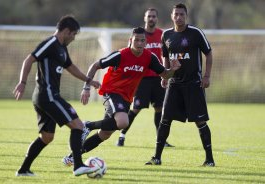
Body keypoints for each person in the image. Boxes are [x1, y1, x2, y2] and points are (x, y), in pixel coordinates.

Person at [61, 27, 181, 166]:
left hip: (126, 98)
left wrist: (173, 69)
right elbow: (95, 65)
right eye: (137, 40)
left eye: (143, 41)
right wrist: (86, 87)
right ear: (131, 40)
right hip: (112, 92)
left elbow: (165, 75)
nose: (140, 43)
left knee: (105, 134)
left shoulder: (149, 58)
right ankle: (88, 125)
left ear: (146, 42)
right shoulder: (120, 55)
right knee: (123, 122)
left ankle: (72, 157)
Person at [13, 15, 101, 176]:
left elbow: (71, 67)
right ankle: (78, 165)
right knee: (79, 126)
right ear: (66, 31)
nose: (74, 38)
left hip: (46, 96)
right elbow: (28, 60)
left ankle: (23, 169)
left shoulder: (62, 47)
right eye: (73, 34)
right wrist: (22, 82)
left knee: (46, 137)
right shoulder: (50, 43)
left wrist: (89, 80)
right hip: (48, 95)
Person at [145, 3, 215, 167]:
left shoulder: (196, 33)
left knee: (200, 122)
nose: (179, 17)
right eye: (176, 14)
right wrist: (165, 74)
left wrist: (206, 76)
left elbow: (209, 54)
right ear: (171, 16)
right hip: (174, 84)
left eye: (182, 14)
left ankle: (209, 160)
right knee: (165, 119)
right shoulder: (166, 35)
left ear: (186, 16)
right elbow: (165, 56)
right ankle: (157, 157)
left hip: (194, 84)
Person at [116, 8, 173, 147]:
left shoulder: (162, 34)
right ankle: (122, 136)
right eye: (149, 16)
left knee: (159, 108)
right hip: (142, 78)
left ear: (157, 19)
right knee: (136, 108)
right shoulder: (138, 35)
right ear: (145, 18)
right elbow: (129, 53)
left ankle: (161, 139)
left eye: (154, 16)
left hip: (158, 78)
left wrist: (165, 73)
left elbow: (165, 55)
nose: (151, 19)